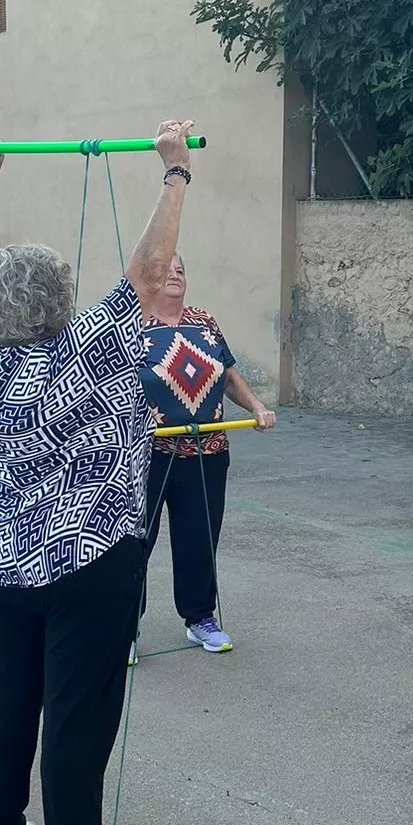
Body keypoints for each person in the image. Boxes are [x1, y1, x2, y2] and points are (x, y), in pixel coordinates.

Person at [0, 121, 197, 825]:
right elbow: (152, 269)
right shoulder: (85, 347)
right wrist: (175, 173)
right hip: (85, 558)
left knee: (10, 696)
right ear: (62, 302)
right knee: (78, 712)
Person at [136, 251, 276, 659]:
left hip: (207, 450)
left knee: (200, 537)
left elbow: (228, 373)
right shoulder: (132, 325)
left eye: (182, 269)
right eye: (167, 270)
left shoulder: (205, 322)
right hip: (146, 453)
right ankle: (123, 625)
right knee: (133, 540)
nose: (176, 275)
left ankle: (200, 617)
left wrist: (256, 407)